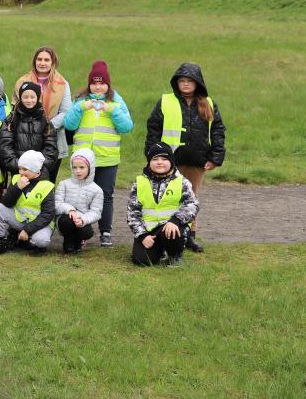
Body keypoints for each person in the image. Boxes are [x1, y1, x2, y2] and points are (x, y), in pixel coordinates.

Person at [144, 62, 224, 253]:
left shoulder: (209, 103)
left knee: (191, 199)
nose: (186, 84)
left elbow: (218, 131)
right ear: (176, 83)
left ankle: (190, 236)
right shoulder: (165, 101)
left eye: (190, 81)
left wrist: (215, 157)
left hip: (197, 162)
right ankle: (167, 234)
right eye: (182, 81)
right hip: (170, 161)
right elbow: (153, 128)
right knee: (168, 197)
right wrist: (152, 155)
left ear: (198, 83)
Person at [63, 60, 134, 247]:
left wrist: (111, 110)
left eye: (102, 83)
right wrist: (79, 108)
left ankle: (105, 231)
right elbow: (69, 125)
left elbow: (127, 126)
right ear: (89, 84)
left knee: (106, 195)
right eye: (94, 83)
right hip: (83, 159)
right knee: (80, 195)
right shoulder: (81, 100)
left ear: (108, 84)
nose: (98, 87)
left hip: (107, 158)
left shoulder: (116, 101)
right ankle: (83, 231)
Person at [128, 143, 198, 267]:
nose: (159, 162)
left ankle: (175, 255)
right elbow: (133, 213)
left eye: (164, 159)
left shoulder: (182, 181)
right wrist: (143, 235)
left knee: (172, 232)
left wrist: (175, 220)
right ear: (149, 162)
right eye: (155, 159)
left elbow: (192, 205)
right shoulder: (139, 182)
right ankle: (160, 250)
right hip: (149, 230)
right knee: (142, 261)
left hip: (172, 226)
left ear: (171, 161)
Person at [13, 47, 72, 180]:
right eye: (39, 59)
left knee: (48, 182)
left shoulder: (63, 84)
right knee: (24, 182)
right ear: (34, 61)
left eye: (46, 59)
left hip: (52, 138)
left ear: (53, 62)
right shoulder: (22, 82)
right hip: (25, 138)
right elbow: (15, 108)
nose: (42, 63)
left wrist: (46, 126)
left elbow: (65, 112)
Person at [0, 150, 55, 256]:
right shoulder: (16, 179)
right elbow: (6, 203)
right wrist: (18, 188)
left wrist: (27, 230)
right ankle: (0, 240)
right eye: (19, 168)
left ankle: (32, 244)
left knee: (41, 241)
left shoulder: (47, 186)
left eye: (25, 169)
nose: (20, 172)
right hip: (20, 219)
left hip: (39, 224)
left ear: (36, 170)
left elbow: (48, 214)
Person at [0, 82, 58, 180]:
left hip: (39, 172)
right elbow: (5, 146)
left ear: (38, 97)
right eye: (25, 97)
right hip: (18, 172)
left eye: (32, 97)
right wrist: (20, 166)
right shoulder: (11, 120)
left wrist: (37, 167)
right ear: (20, 98)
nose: (29, 100)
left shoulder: (45, 120)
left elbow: (51, 148)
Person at [54, 148, 103, 254]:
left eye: (82, 167)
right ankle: (68, 243)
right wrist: (70, 210)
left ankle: (78, 242)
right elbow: (56, 204)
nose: (78, 171)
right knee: (66, 221)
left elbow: (96, 212)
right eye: (74, 167)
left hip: (81, 221)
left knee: (87, 232)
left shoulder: (97, 190)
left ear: (90, 168)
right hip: (65, 219)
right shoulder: (64, 184)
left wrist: (83, 219)